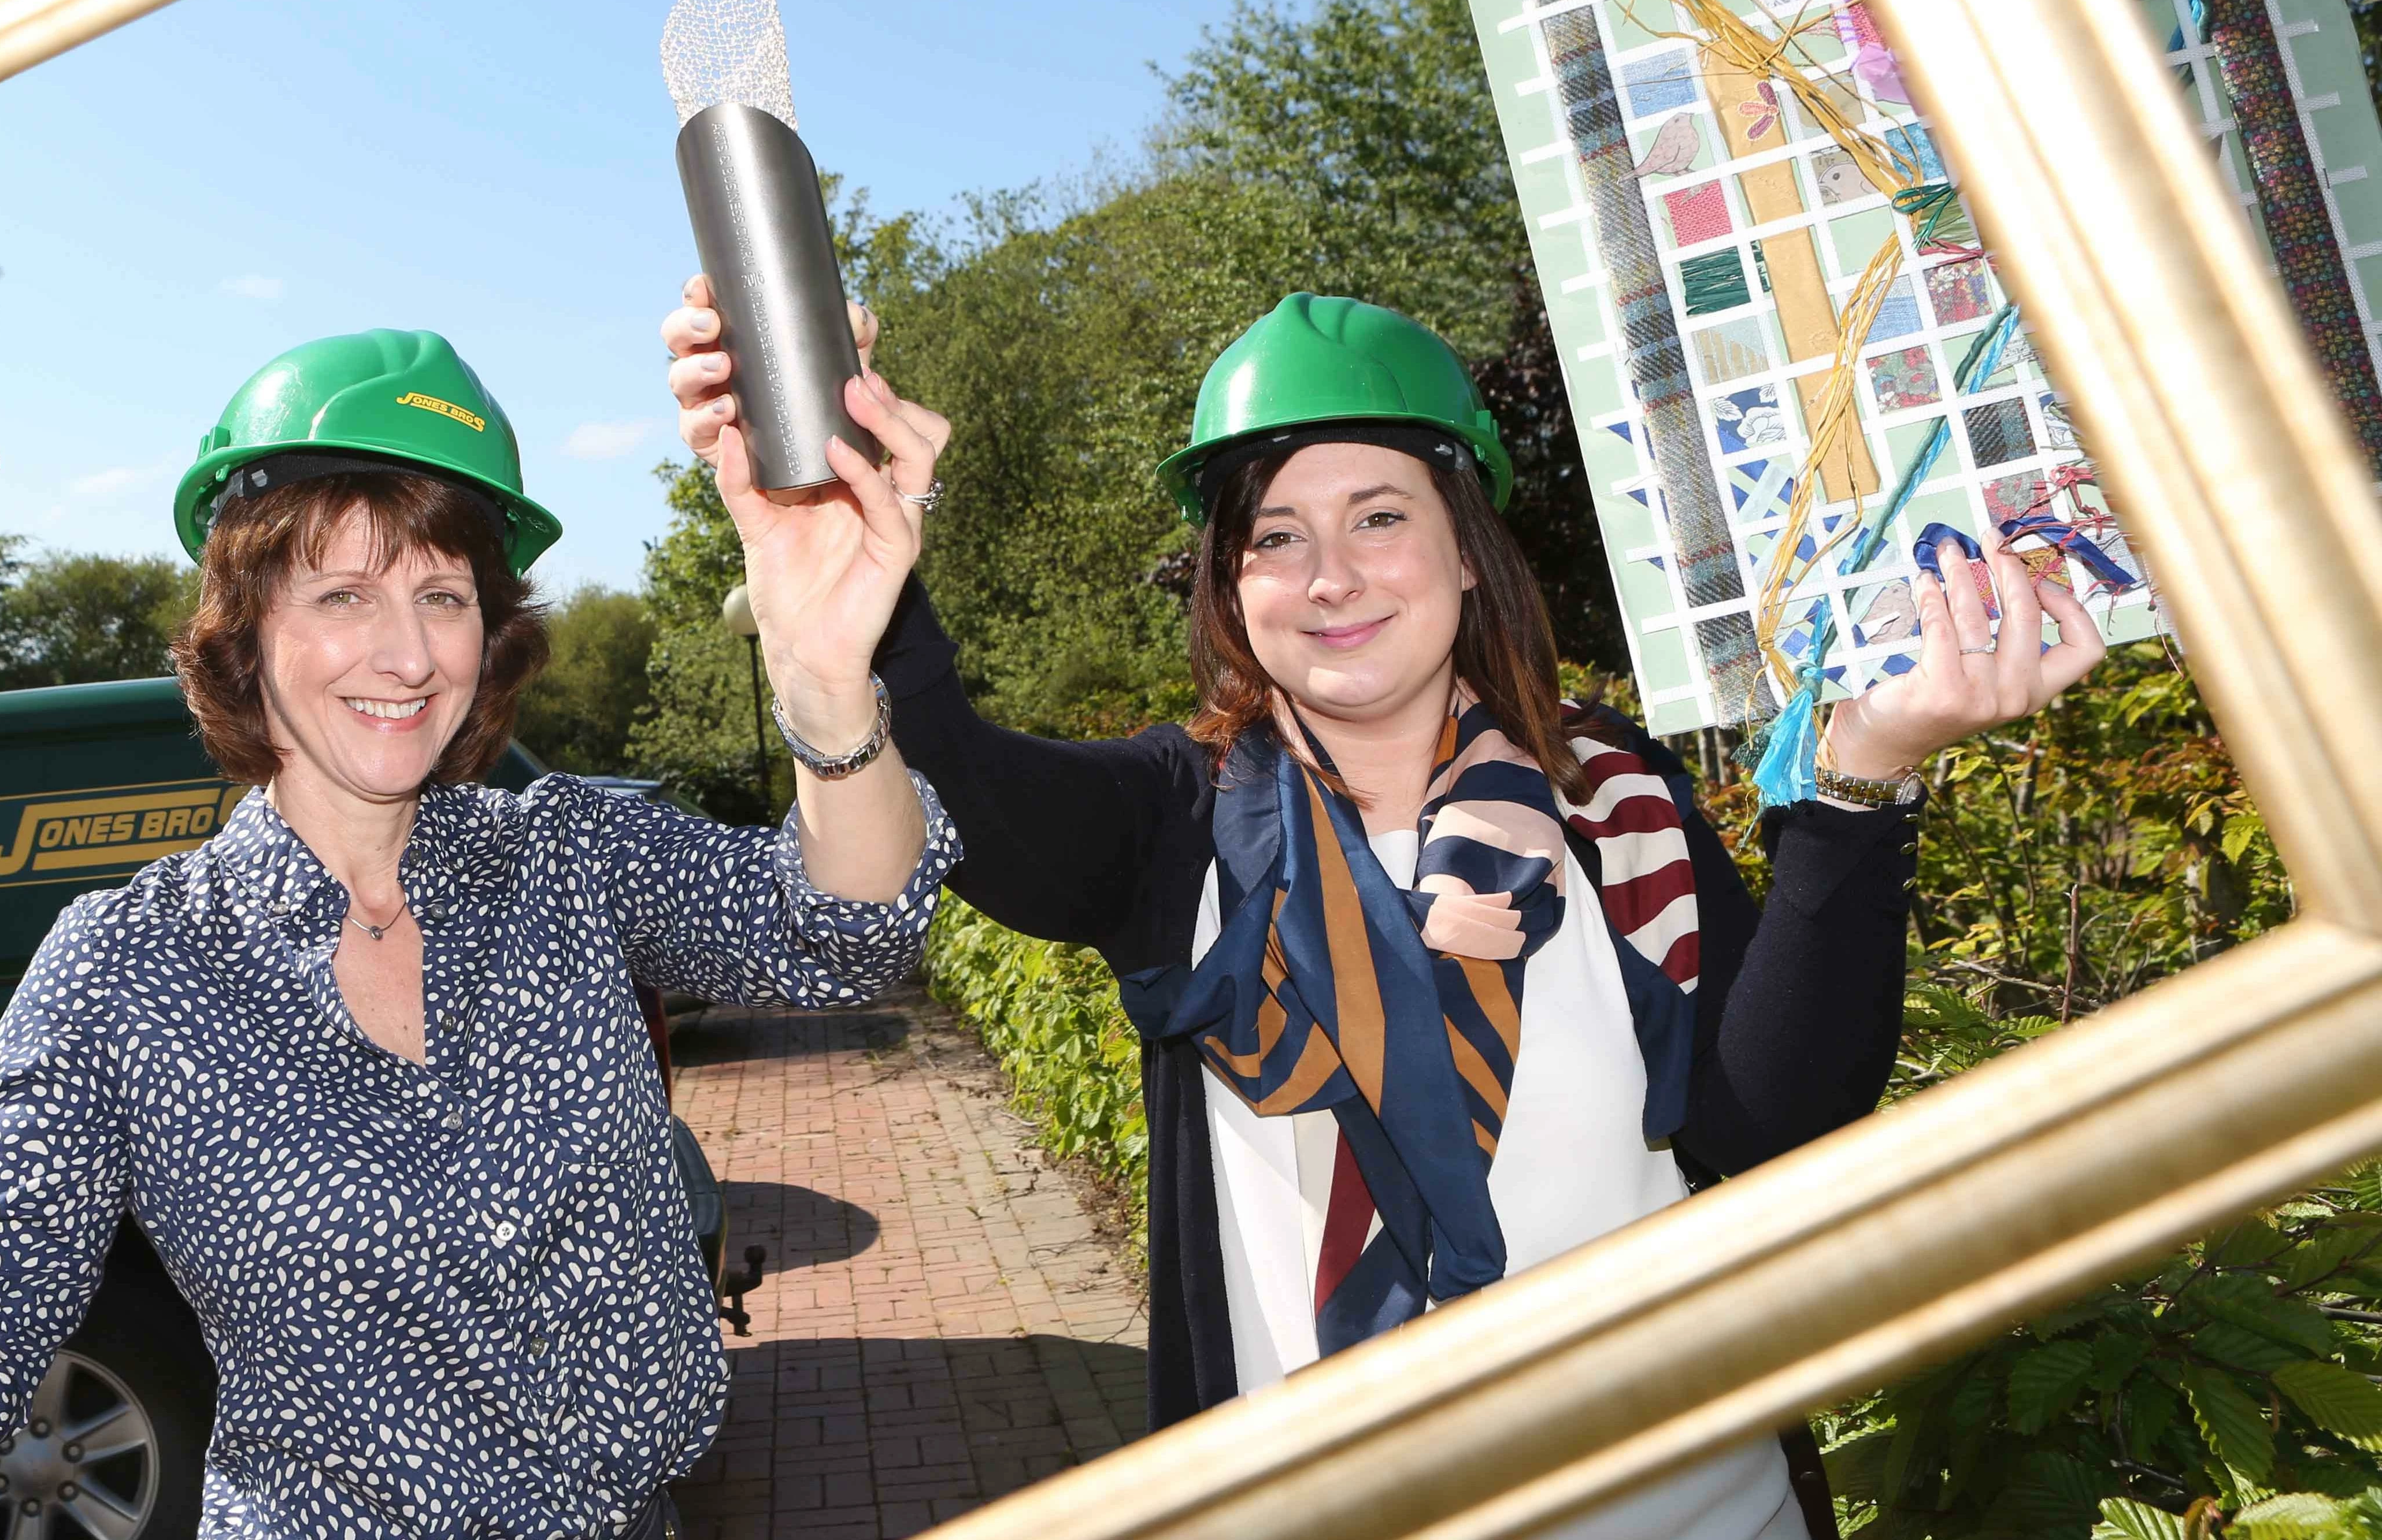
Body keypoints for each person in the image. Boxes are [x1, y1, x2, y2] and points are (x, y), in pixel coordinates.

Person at [661, 288, 2102, 1539]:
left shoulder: (1608, 801)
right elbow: (962, 789)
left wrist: (1863, 784)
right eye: (1275, 535)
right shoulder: (1177, 823)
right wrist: (848, 573)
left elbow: (1770, 1122)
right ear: (1232, 582)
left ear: (1467, 547)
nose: (1330, 576)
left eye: (1378, 518)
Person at [0, 328, 962, 1538]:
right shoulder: (128, 972)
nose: (407, 655)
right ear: (246, 630)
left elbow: (845, 934)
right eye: (343, 595)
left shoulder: (567, 856)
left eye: (446, 597)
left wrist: (824, 674)